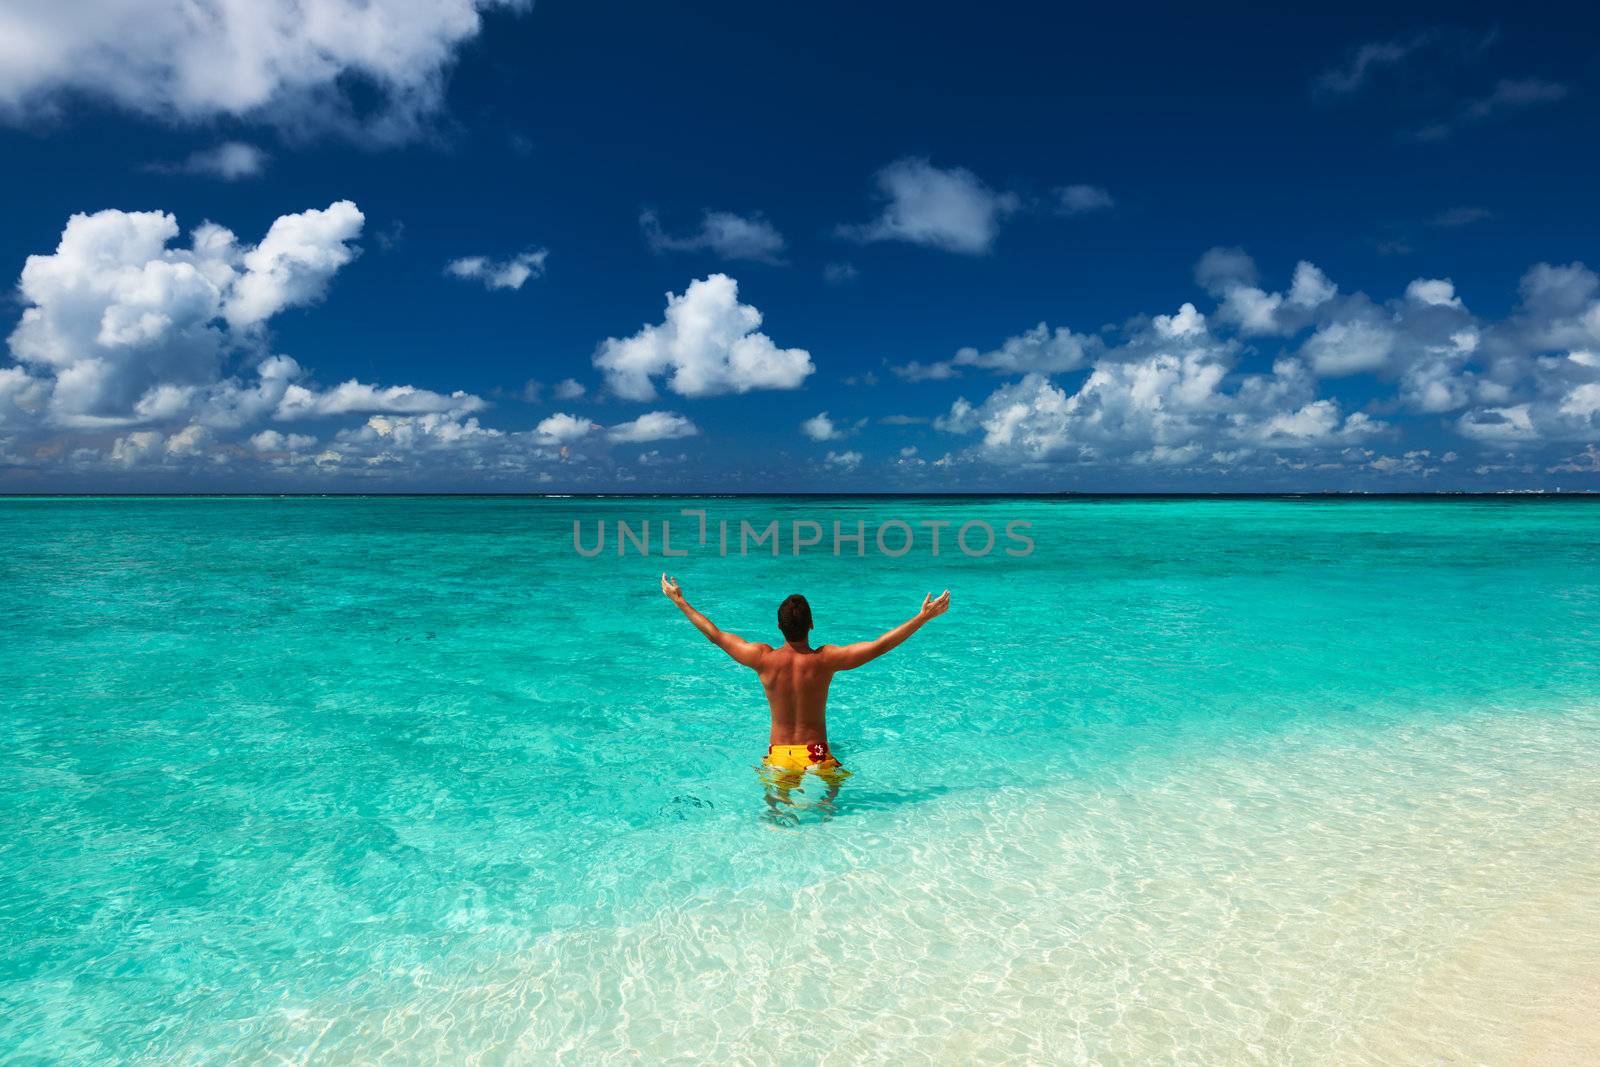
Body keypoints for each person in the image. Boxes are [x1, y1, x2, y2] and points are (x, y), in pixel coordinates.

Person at [659, 574, 950, 788]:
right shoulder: (825, 660)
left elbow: (716, 635)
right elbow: (878, 646)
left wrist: (680, 601)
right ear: (811, 624)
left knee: (777, 816)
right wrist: (922, 618)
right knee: (828, 812)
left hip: (779, 754)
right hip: (818, 753)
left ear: (779, 627)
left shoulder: (762, 659)